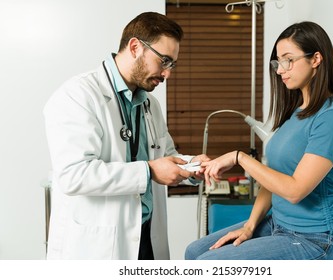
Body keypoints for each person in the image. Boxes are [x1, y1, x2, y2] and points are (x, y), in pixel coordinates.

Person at [43, 12, 209, 260]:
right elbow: (73, 175)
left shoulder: (150, 103)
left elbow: (165, 155)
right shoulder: (77, 95)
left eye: (172, 64)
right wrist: (149, 171)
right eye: (164, 61)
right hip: (98, 245)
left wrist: (193, 166)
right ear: (135, 47)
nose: (167, 74)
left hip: (145, 237)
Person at [185, 21, 333, 260]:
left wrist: (239, 157)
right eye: (277, 61)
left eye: (288, 60)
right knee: (193, 252)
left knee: (207, 263)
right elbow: (273, 178)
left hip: (316, 239)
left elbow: (295, 191)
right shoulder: (297, 112)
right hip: (278, 224)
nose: (279, 69)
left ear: (316, 59)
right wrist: (250, 226)